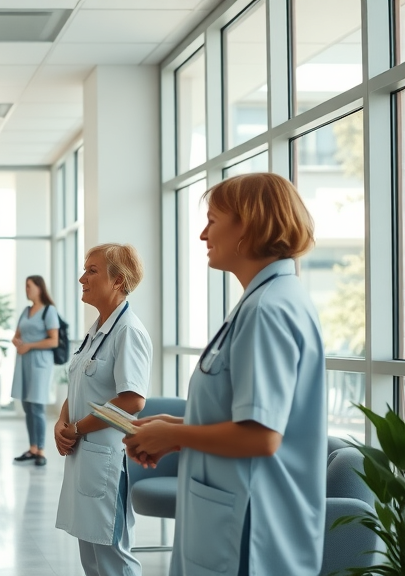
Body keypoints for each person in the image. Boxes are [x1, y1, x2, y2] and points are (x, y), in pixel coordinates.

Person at [123, 173, 325, 576]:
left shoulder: (268, 310)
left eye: (213, 220)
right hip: (236, 514)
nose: (202, 234)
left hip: (251, 526)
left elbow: (262, 436)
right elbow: (248, 419)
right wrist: (176, 427)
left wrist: (174, 435)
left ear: (246, 226)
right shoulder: (265, 302)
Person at [54, 243, 152, 576]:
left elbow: (132, 400)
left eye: (92, 270)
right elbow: (80, 383)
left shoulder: (128, 331)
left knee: (113, 559)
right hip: (86, 459)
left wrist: (78, 428)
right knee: (93, 559)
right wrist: (61, 421)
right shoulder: (97, 330)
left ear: (118, 282)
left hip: (108, 461)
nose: (82, 277)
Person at [11, 275, 60, 467]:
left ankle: (41, 450)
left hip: (40, 363)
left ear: (39, 288)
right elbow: (17, 335)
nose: (26, 289)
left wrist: (29, 345)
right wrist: (17, 341)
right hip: (24, 362)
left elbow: (53, 340)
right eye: (25, 286)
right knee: (27, 406)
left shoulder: (49, 311)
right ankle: (32, 448)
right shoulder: (26, 311)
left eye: (29, 286)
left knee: (37, 406)